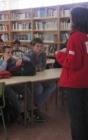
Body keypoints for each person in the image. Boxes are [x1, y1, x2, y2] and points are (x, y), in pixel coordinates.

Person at [56, 7, 88, 140]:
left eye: (71, 17)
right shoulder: (86, 36)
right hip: (85, 81)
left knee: (76, 117)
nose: (70, 20)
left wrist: (59, 55)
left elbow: (74, 63)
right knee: (85, 115)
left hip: (75, 83)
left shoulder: (75, 37)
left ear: (76, 19)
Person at [0, 45, 43, 122]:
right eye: (8, 53)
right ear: (3, 54)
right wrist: (5, 61)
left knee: (26, 90)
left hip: (14, 83)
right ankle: (21, 112)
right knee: (12, 94)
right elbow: (0, 72)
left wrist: (21, 59)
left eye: (11, 52)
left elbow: (28, 59)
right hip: (4, 85)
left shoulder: (14, 60)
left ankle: (31, 111)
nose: (10, 54)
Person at [24, 38, 56, 120]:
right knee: (39, 88)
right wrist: (38, 68)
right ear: (32, 47)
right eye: (37, 46)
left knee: (52, 85)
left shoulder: (43, 54)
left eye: (41, 46)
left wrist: (37, 68)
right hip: (30, 78)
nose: (40, 48)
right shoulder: (28, 54)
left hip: (40, 77)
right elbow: (30, 68)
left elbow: (44, 66)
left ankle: (35, 103)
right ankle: (32, 107)